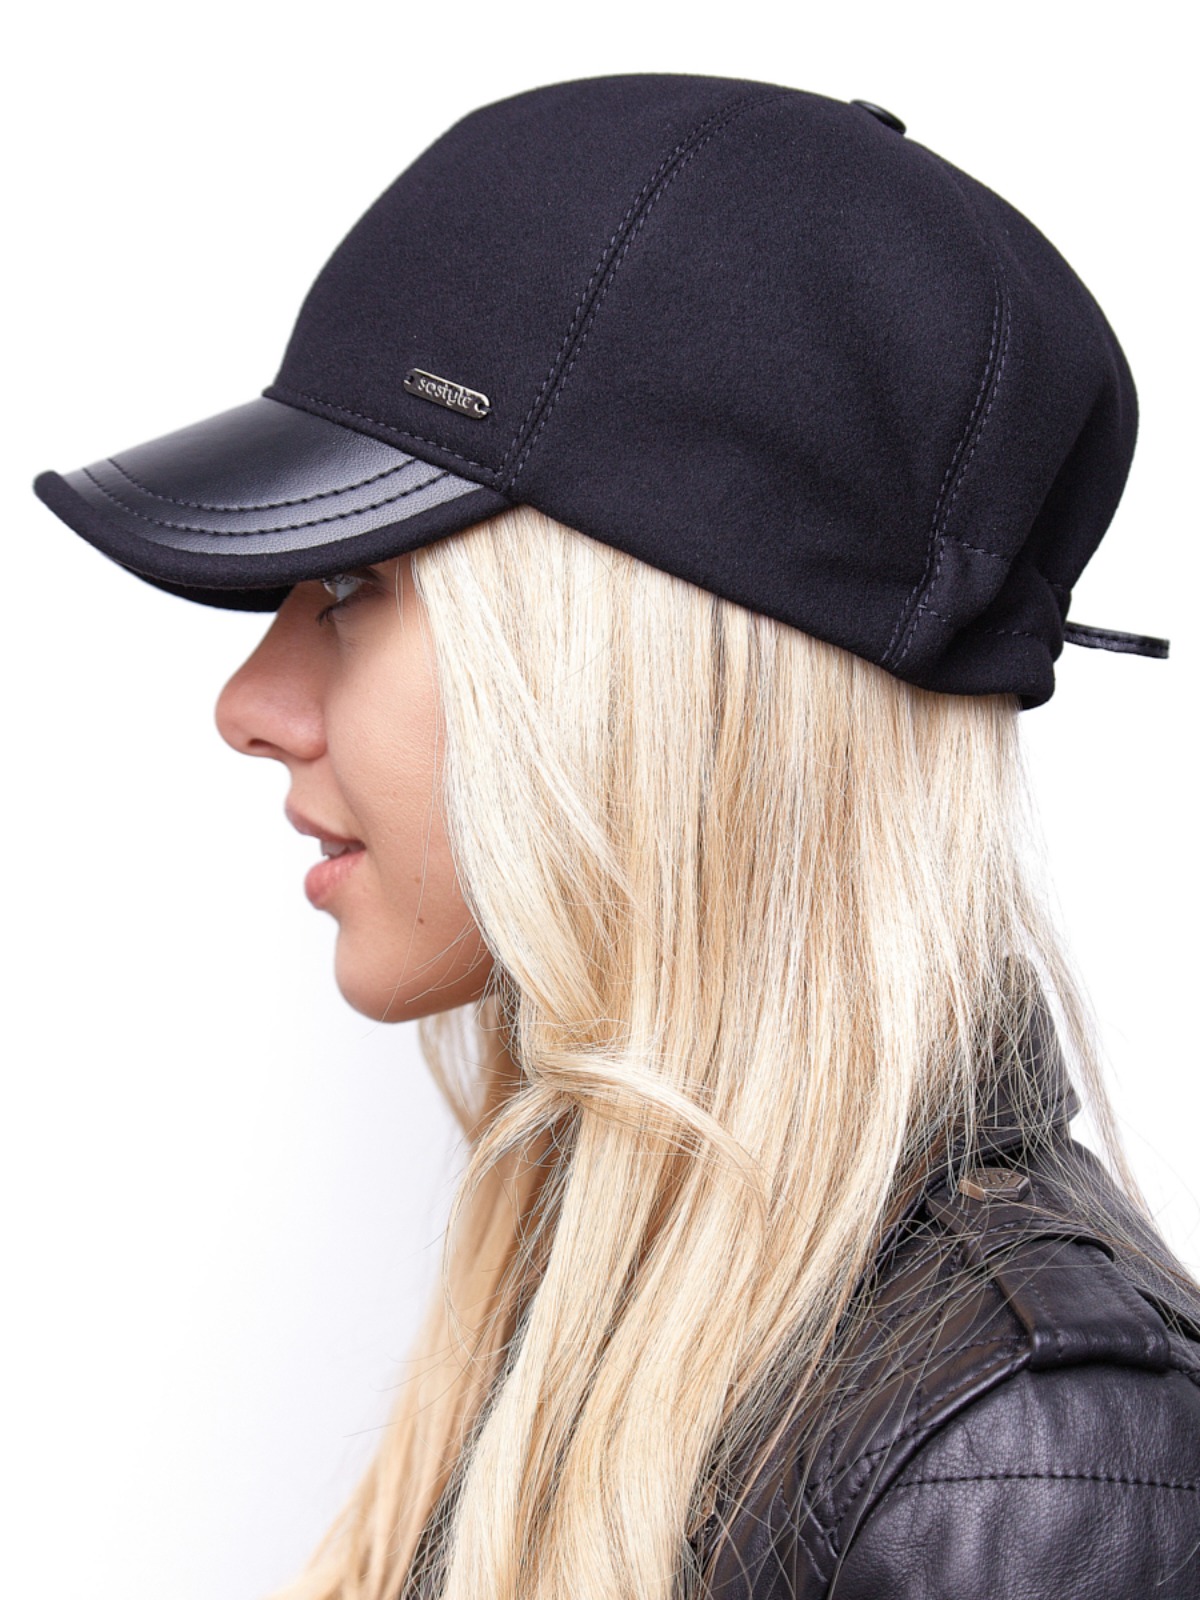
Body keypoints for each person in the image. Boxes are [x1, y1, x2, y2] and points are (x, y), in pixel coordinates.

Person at [32, 73, 1199, 1600]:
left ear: (645, 677)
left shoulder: (1026, 1462)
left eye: (359, 586)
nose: (249, 704)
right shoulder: (631, 1294)